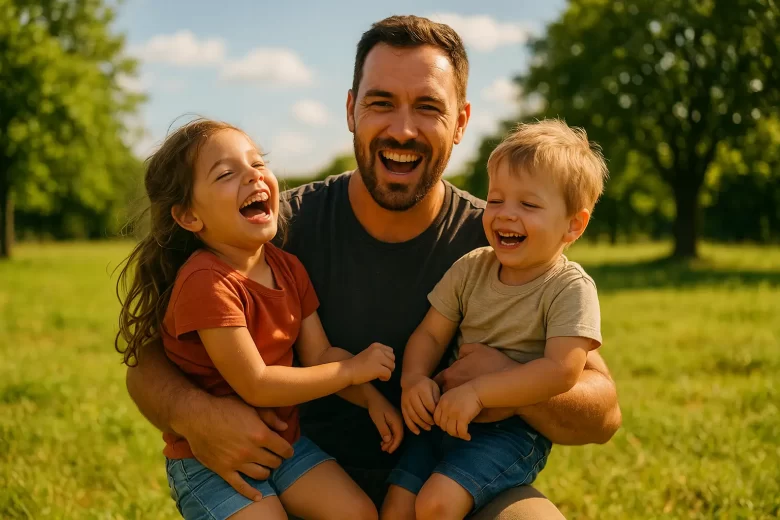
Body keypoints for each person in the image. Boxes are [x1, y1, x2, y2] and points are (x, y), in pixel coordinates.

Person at [124, 15, 622, 519]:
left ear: (461, 123)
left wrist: (506, 382)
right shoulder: (272, 230)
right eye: (381, 103)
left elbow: (603, 411)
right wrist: (196, 415)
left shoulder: (501, 240)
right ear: (351, 110)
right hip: (296, 479)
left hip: (452, 480)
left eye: (428, 107)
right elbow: (148, 360)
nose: (402, 129)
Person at [115, 119, 403, 519]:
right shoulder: (206, 280)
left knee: (358, 513)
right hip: (210, 460)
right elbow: (257, 384)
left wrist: (370, 398)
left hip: (286, 444)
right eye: (226, 174)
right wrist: (353, 370)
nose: (253, 175)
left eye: (257, 162)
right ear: (189, 216)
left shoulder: (287, 267)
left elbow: (320, 355)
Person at [381, 120, 608, 520]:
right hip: (444, 414)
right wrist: (414, 379)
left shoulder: (569, 288)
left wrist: (480, 392)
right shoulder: (473, 267)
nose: (506, 215)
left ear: (574, 224)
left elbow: (562, 371)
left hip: (508, 432)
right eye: (496, 199)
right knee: (397, 506)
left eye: (529, 205)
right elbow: (430, 334)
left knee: (436, 504)